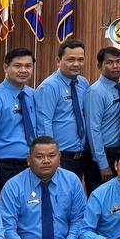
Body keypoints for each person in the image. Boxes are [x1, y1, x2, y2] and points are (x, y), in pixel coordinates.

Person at [0, 47, 39, 192]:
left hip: (32, 164)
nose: (23, 70)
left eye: (28, 66)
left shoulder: (33, 95)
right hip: (5, 166)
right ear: (6, 67)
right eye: (18, 66)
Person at [34, 40, 93, 186]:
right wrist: (52, 157)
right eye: (70, 60)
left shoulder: (83, 83)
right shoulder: (49, 87)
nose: (76, 64)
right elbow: (44, 123)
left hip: (83, 155)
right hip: (62, 157)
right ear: (58, 61)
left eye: (80, 60)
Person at [86, 46, 120, 189]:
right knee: (101, 196)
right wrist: (102, 164)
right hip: (103, 154)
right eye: (109, 62)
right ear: (99, 66)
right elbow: (93, 129)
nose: (115, 66)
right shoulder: (95, 91)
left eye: (118, 62)